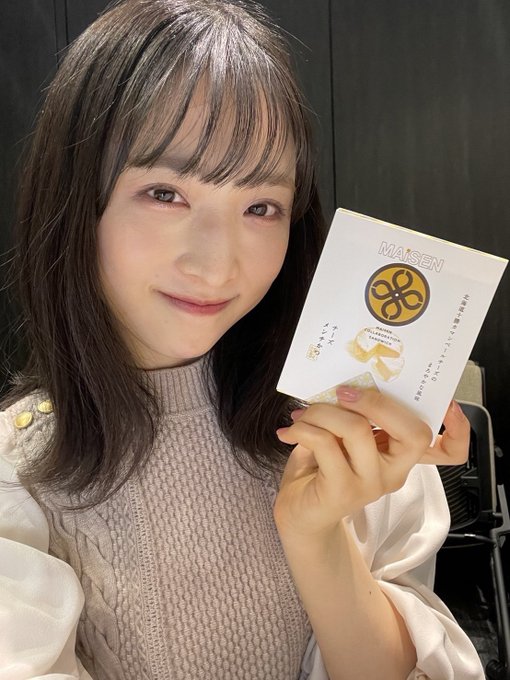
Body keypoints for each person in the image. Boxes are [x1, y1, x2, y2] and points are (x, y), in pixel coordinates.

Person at [0, 1, 485, 678]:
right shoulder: (18, 474)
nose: (217, 265)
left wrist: (318, 537)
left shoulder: (340, 422)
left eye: (261, 206)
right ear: (76, 200)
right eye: (165, 193)